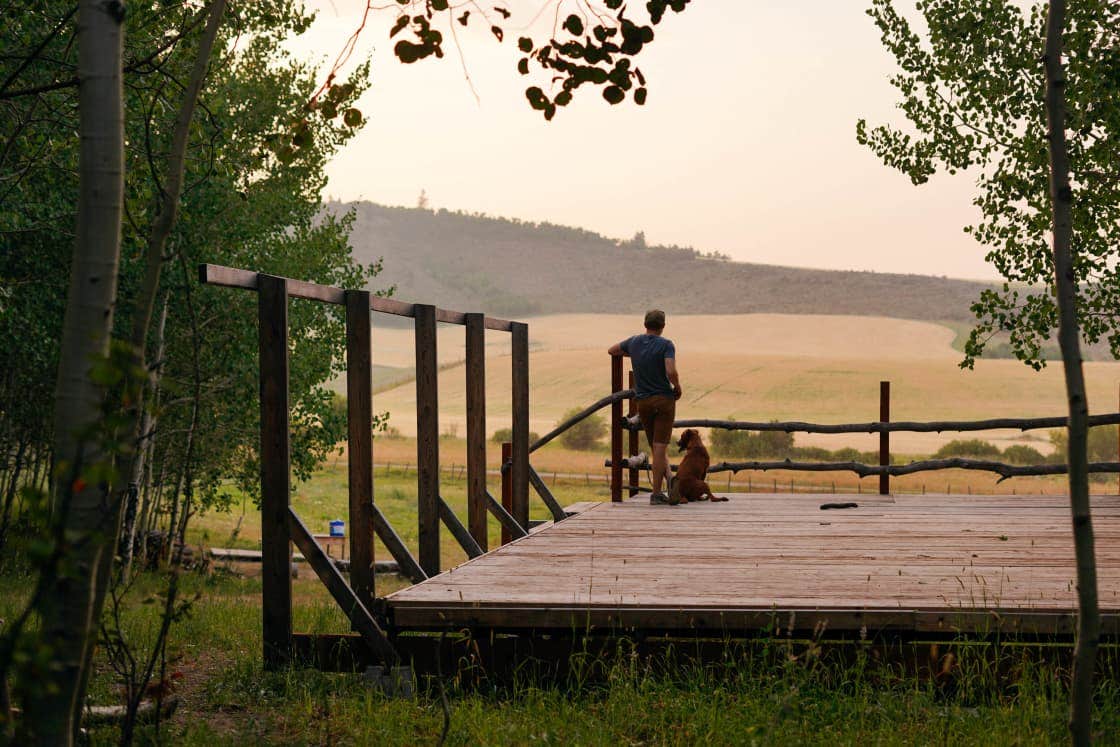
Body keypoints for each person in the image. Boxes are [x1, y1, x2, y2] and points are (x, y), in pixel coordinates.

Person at [608, 309, 682, 505]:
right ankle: (656, 494)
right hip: (663, 400)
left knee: (656, 448)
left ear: (645, 324)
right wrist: (677, 386)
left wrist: (634, 353)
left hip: (643, 402)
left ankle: (670, 480)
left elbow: (612, 350)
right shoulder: (666, 345)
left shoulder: (634, 342)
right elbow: (671, 370)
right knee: (660, 447)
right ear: (663, 326)